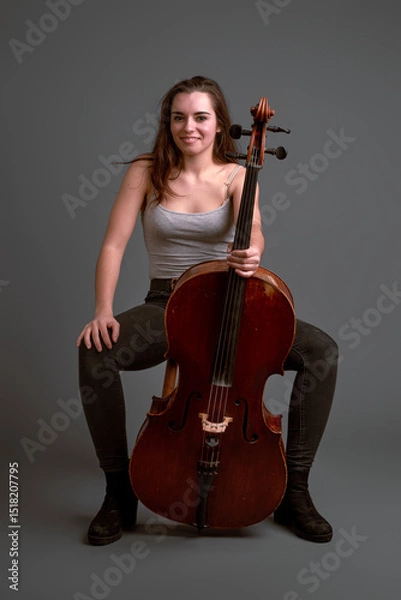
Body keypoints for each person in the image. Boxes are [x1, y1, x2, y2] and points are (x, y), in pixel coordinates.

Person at [77, 75, 338, 546]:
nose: (188, 127)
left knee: (322, 352)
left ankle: (295, 493)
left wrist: (252, 252)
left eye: (200, 117)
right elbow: (113, 246)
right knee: (96, 353)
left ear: (220, 125)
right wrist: (103, 309)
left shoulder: (238, 174)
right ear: (168, 122)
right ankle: (118, 492)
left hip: (230, 301)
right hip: (168, 303)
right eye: (179, 117)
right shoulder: (145, 169)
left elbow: (253, 229)